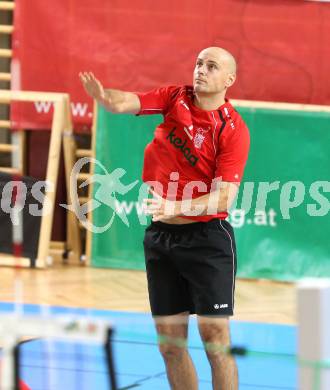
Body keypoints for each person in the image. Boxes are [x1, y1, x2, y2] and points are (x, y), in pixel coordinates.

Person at [79, 46, 250, 390]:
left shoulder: (232, 129)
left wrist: (176, 207)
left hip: (208, 239)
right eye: (199, 63)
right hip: (162, 239)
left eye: (211, 66)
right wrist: (106, 98)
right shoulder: (176, 98)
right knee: (170, 345)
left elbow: (223, 197)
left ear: (229, 79)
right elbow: (126, 101)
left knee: (215, 338)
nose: (201, 70)